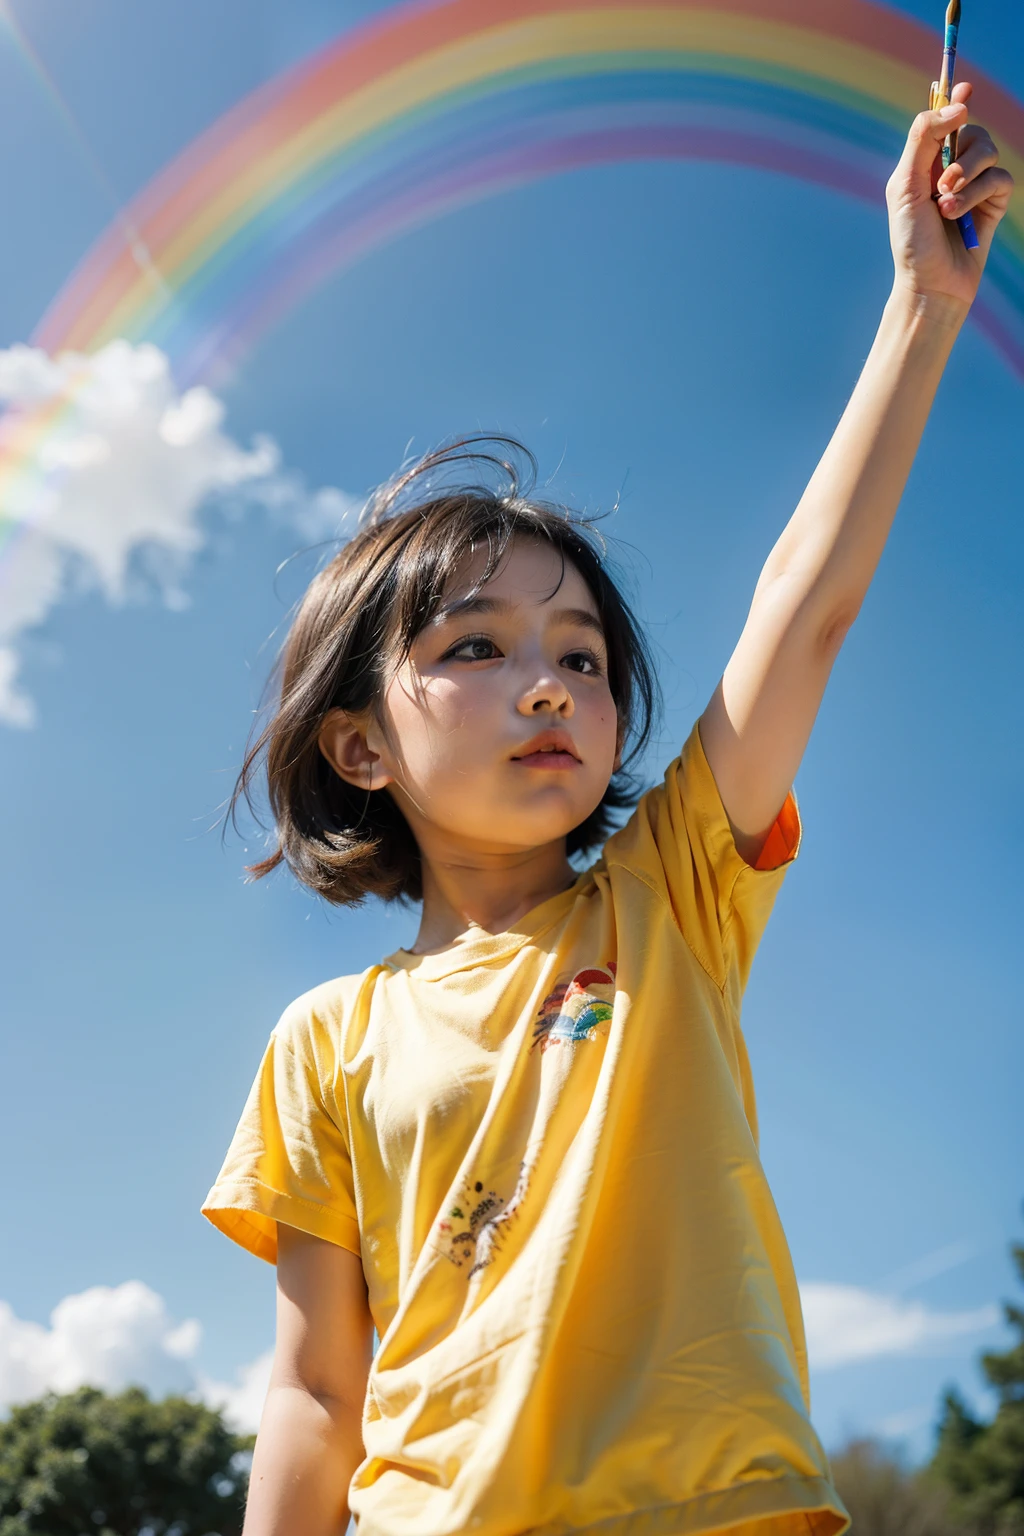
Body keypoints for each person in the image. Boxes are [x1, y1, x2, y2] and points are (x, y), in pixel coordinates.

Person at [203, 84, 1012, 1536]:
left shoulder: (674, 890)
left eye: (581, 654)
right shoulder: (321, 1045)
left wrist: (922, 303)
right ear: (359, 747)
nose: (547, 685)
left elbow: (805, 606)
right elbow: (317, 1390)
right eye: (475, 647)